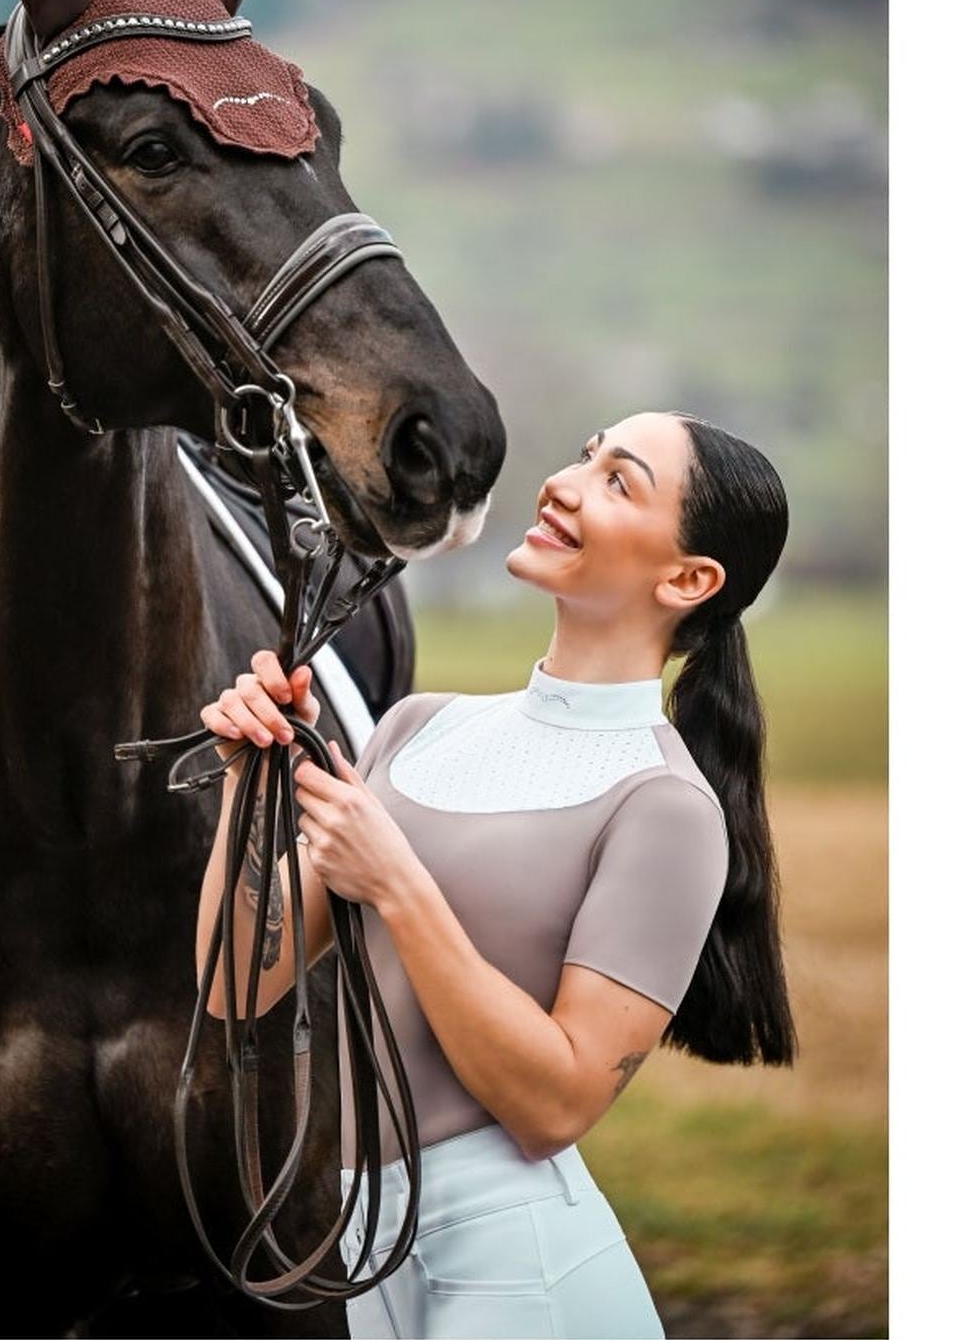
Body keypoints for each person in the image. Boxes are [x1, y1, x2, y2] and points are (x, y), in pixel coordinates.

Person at [196, 409, 797, 1339]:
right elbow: (237, 983)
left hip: (519, 1271)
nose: (563, 481)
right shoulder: (416, 726)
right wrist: (251, 784)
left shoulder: (664, 808)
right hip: (367, 1250)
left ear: (688, 579)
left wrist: (397, 884)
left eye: (616, 481)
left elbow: (555, 1103)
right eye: (585, 455)